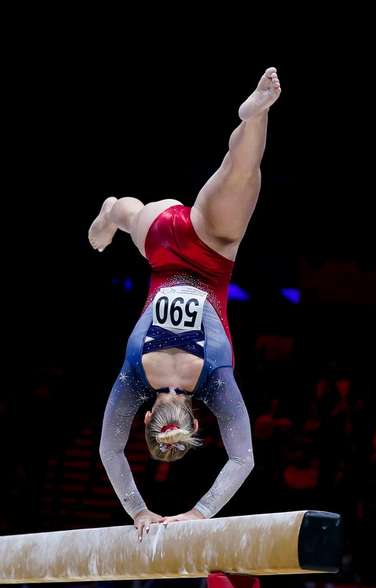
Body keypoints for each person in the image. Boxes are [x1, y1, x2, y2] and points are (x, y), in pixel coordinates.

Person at [89, 68, 282, 541]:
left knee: (242, 172)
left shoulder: (215, 380)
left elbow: (243, 458)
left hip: (213, 251)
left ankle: (254, 119)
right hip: (159, 245)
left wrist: (200, 514)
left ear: (196, 420)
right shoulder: (134, 376)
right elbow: (109, 452)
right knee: (131, 212)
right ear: (149, 418)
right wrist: (137, 511)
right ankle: (113, 211)